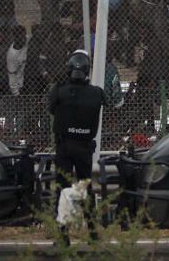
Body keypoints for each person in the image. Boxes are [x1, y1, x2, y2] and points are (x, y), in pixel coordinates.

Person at [48, 50, 120, 239]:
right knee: (85, 189)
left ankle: (62, 236)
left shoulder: (59, 90)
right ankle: (93, 233)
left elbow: (51, 108)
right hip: (84, 148)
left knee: (62, 191)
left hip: (64, 147)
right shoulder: (96, 93)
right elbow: (110, 103)